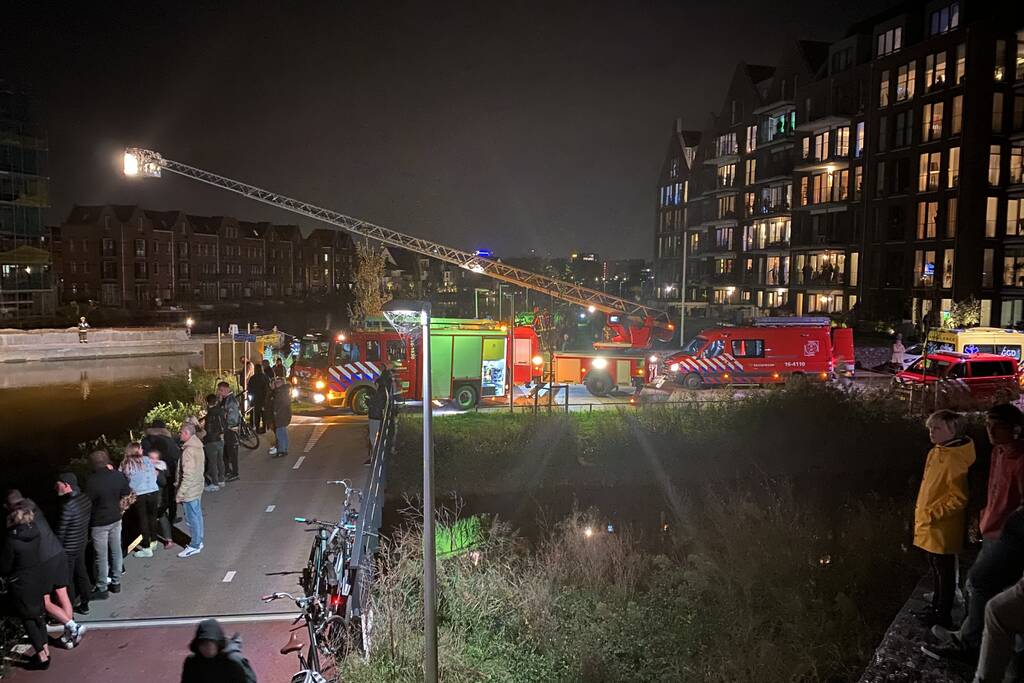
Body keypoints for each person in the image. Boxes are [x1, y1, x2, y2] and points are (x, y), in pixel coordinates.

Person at [927, 403, 1024, 658]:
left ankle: (969, 643)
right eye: (987, 424)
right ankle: (974, 635)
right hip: (992, 530)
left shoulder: (1021, 458)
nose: (990, 431)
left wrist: (1007, 526)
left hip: (1008, 536)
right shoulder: (998, 452)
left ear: (1015, 429)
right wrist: (985, 516)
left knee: (978, 582)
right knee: (988, 587)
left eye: (996, 426)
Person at [1, 503, 85, 668]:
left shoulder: (12, 541)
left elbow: (5, 566)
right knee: (39, 615)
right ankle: (49, 648)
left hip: (21, 583)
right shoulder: (35, 533)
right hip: (37, 578)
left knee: (29, 619)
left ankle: (42, 656)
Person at [913, 409, 976, 628]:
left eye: (937, 428)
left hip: (942, 527)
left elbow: (958, 498)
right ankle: (936, 608)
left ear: (953, 431)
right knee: (936, 566)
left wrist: (931, 514)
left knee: (944, 570)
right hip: (932, 525)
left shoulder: (954, 460)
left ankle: (942, 615)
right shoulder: (937, 452)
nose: (932, 432)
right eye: (930, 427)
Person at [85, 449, 131, 599]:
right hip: (116, 518)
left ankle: (102, 587)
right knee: (116, 550)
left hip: (99, 522)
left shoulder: (91, 481)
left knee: (101, 556)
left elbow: (87, 503)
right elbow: (126, 493)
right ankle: (116, 582)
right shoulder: (118, 476)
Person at [55, 473, 93, 615]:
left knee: (68, 579)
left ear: (66, 485)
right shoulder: (85, 499)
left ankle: (68, 610)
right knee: (82, 573)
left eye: (58, 484)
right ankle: (85, 603)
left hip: (68, 549)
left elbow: (61, 532)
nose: (55, 487)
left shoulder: (67, 506)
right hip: (81, 543)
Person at [181, 618, 258, 682]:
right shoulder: (192, 662)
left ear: (218, 644)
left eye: (210, 644)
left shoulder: (233, 660)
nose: (207, 648)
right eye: (203, 644)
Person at [120, 442, 161, 558]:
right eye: (140, 448)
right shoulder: (147, 460)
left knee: (143, 520)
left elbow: (122, 479)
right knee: (152, 517)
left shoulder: (126, 464)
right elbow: (155, 472)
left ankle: (147, 548)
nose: (142, 449)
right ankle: (154, 540)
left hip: (139, 494)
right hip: (153, 490)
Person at [142, 419, 181, 527]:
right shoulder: (168, 439)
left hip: (151, 471)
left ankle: (156, 517)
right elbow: (176, 455)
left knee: (156, 495)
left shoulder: (145, 440)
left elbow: (143, 456)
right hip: (168, 470)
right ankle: (171, 518)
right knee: (170, 495)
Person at [177, 421, 206, 558]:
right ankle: (198, 540)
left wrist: (180, 493)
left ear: (187, 434)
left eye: (181, 432)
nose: (179, 434)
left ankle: (194, 544)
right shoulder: (198, 446)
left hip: (190, 490)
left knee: (191, 518)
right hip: (197, 485)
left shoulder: (188, 451)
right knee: (197, 515)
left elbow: (187, 474)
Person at [146, 447, 173, 547]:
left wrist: (157, 474)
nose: (152, 461)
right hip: (150, 497)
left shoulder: (160, 468)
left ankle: (168, 539)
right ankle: (152, 539)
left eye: (154, 458)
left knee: (162, 517)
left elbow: (164, 482)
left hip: (159, 498)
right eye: (150, 458)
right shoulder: (146, 467)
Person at [202, 394, 227, 491]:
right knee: (220, 460)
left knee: (213, 463)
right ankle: (221, 480)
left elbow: (208, 430)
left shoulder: (210, 415)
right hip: (220, 439)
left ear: (207, 403)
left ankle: (215, 483)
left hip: (211, 440)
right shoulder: (221, 411)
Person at [218, 381, 242, 482]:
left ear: (227, 389)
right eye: (219, 390)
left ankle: (235, 473)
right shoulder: (225, 399)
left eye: (221, 390)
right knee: (226, 452)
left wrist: (228, 426)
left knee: (232, 452)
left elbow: (233, 417)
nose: (220, 392)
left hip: (230, 430)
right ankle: (227, 470)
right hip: (226, 429)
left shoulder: (231, 401)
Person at [269, 377, 292, 459]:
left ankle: (282, 450)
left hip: (281, 415)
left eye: (277, 383)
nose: (276, 384)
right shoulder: (283, 391)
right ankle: (284, 449)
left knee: (280, 433)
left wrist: (276, 412)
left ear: (281, 383)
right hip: (283, 415)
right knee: (283, 432)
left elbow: (282, 404)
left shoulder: (281, 392)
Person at [248, 364, 270, 434]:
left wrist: (251, 398)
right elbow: (268, 388)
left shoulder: (252, 378)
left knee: (256, 414)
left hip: (255, 399)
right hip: (264, 398)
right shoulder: (266, 377)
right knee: (264, 414)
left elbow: (249, 389)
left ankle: (257, 428)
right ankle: (264, 428)